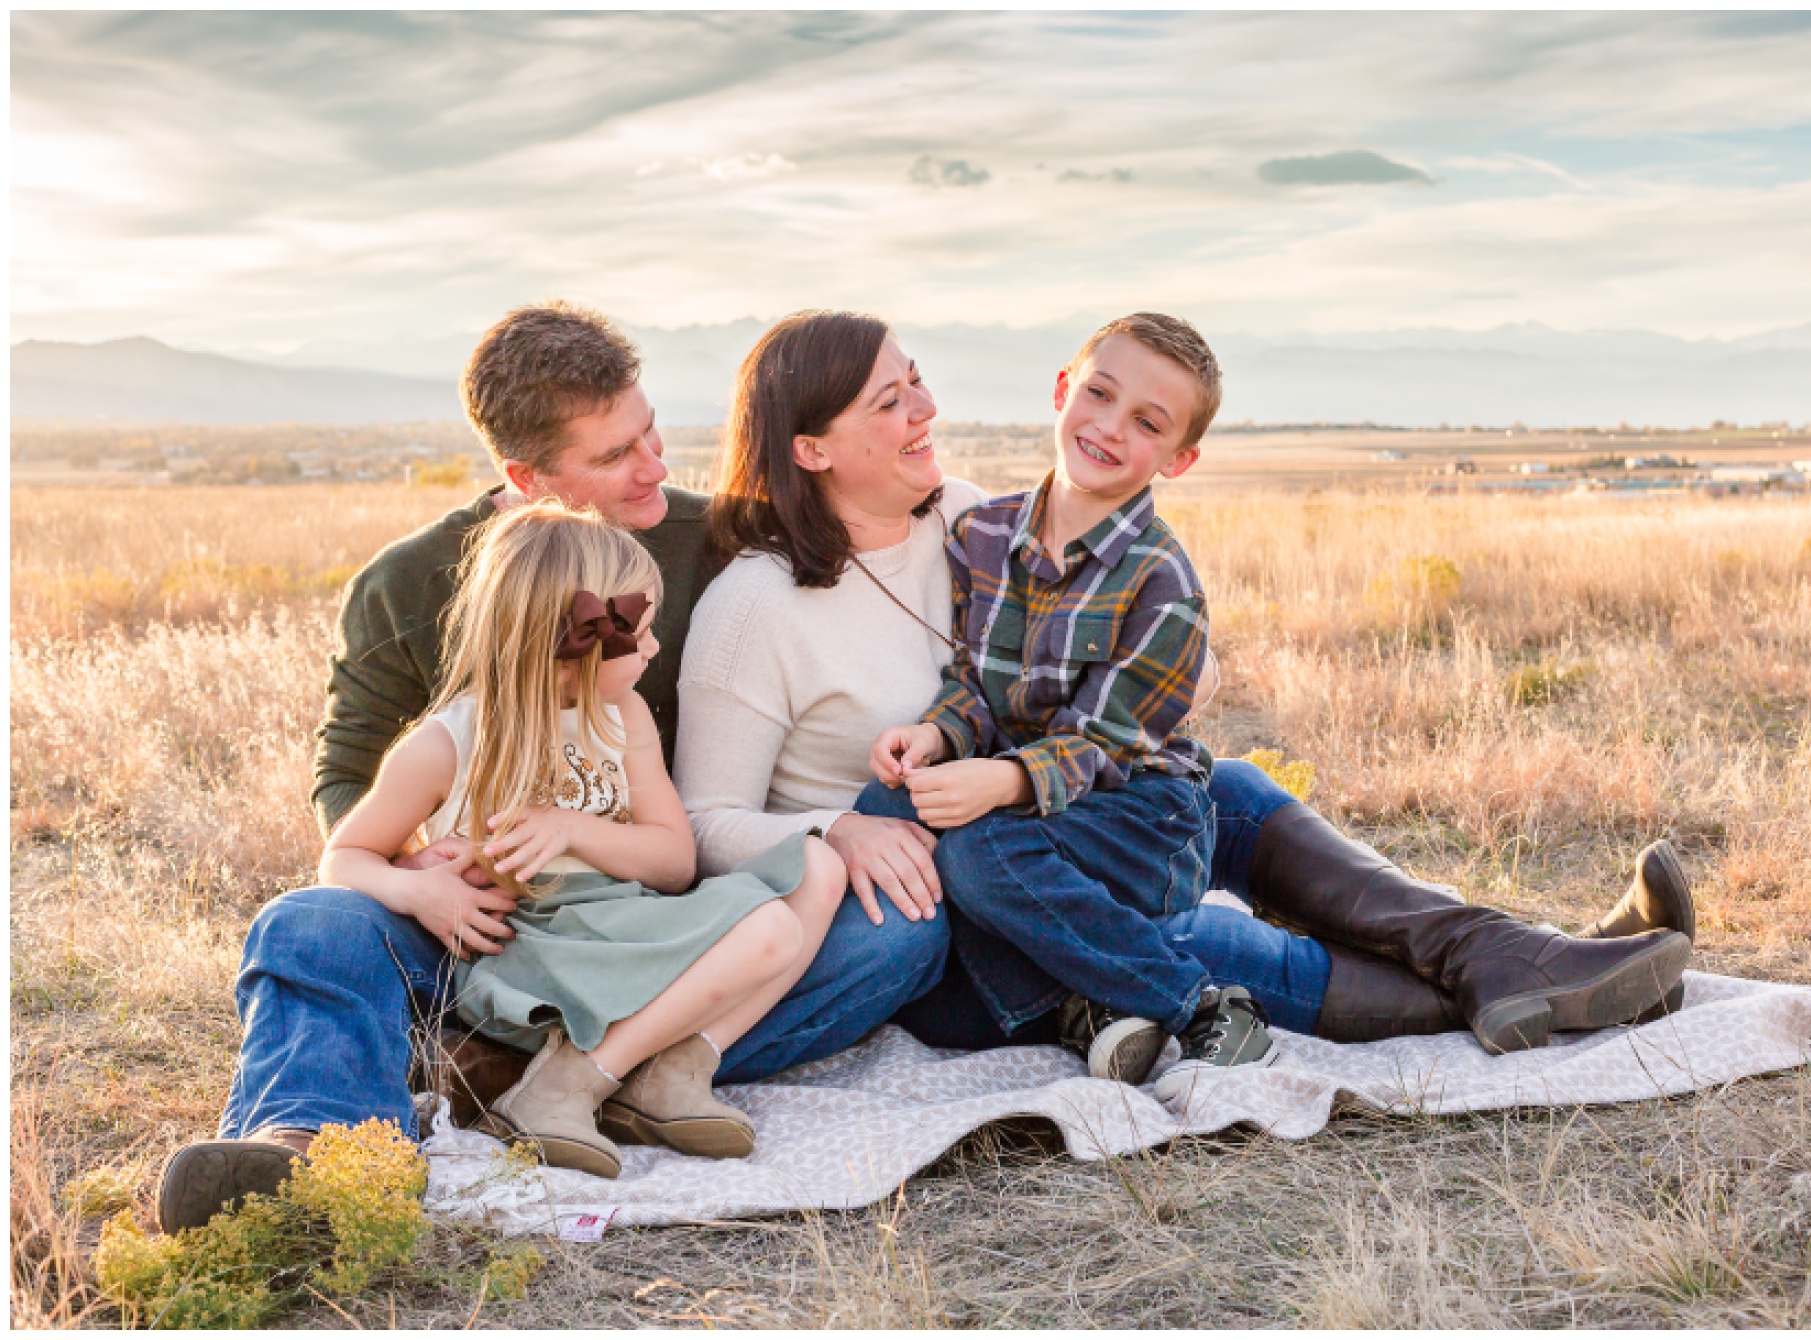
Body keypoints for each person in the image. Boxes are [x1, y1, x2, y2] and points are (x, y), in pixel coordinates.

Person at [675, 310, 1695, 1094]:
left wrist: (1147, 691)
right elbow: (698, 824)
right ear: (810, 447)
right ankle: (1524, 983)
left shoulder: (964, 521)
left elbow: (1120, 656)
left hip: (1040, 809)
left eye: (917, 383)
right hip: (942, 895)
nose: (925, 412)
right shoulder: (755, 605)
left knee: (1225, 786)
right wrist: (840, 829)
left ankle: (1499, 951)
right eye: (889, 403)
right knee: (1187, 937)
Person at [155, 303, 952, 1233]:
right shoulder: (407, 585)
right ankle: (315, 1151)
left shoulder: (721, 541)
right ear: (526, 478)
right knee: (313, 923)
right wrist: (422, 876)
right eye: (614, 457)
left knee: (898, 937)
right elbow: (349, 779)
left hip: (659, 917)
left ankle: (551, 1071)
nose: (654, 468)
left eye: (650, 433)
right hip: (490, 918)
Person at [321, 501, 847, 1178]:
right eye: (642, 632)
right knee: (773, 931)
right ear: (576, 645)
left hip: (628, 923)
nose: (654, 648)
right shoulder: (447, 744)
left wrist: (574, 827)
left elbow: (673, 861)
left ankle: (672, 1072)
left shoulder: (622, 715)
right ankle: (562, 1088)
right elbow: (343, 856)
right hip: (537, 950)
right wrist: (416, 889)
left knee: (816, 866)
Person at [865, 313, 1288, 1102]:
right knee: (932, 984)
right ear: (1064, 389)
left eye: (1147, 423)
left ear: (1179, 458)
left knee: (973, 855)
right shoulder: (982, 534)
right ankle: (1081, 1009)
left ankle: (1201, 1003)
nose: (1107, 426)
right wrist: (934, 732)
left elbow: (1105, 743)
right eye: (1099, 393)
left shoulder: (1164, 584)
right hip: (1031, 814)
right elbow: (973, 681)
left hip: (1143, 819)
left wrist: (999, 783)